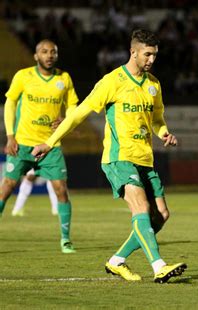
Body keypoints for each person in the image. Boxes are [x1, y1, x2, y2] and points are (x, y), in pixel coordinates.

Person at [32, 29, 187, 283]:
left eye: (154, 55)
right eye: (147, 54)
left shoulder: (153, 84)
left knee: (161, 215)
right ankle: (159, 266)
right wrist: (50, 142)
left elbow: (157, 119)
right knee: (141, 207)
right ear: (133, 52)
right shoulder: (112, 81)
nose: (151, 60)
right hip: (119, 157)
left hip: (145, 158)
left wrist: (164, 133)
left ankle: (116, 261)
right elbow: (78, 114)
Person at [1, 39, 78, 254]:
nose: (49, 55)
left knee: (61, 190)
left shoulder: (64, 78)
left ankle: (65, 239)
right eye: (44, 52)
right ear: (36, 56)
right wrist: (10, 136)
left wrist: (65, 119)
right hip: (22, 144)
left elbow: (73, 106)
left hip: (50, 146)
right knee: (6, 188)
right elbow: (10, 102)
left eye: (53, 51)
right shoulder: (23, 76)